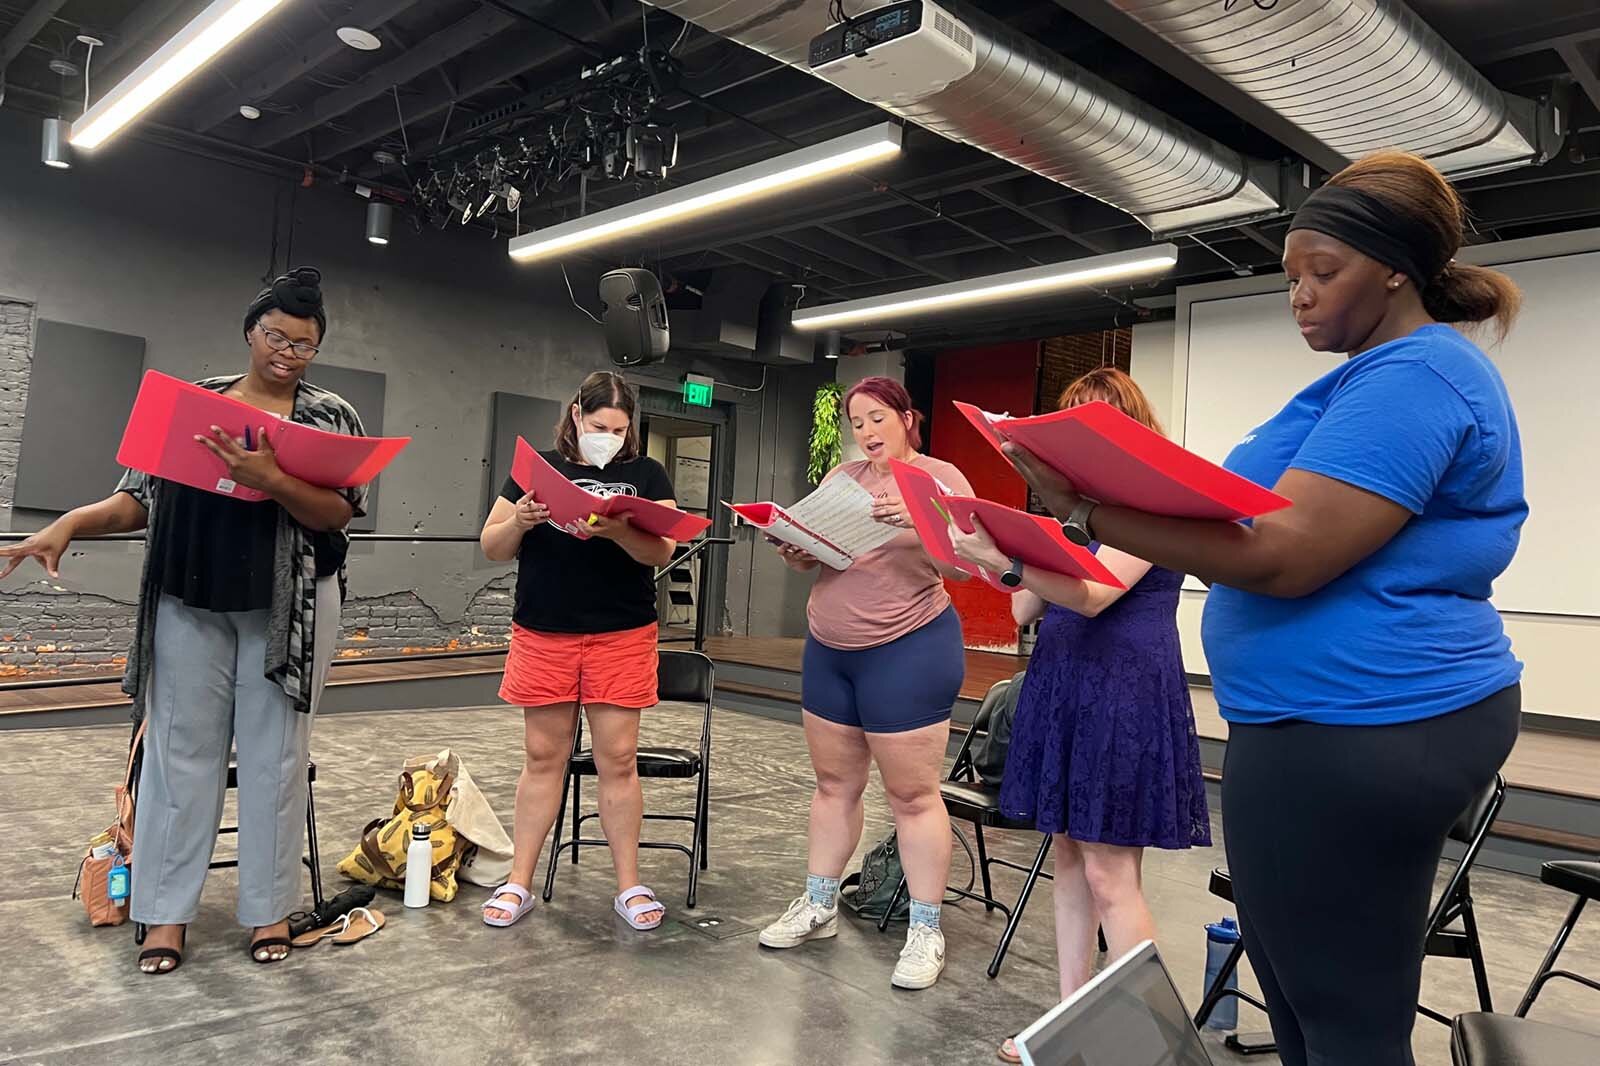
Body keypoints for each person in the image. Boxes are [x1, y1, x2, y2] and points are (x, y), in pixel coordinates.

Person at [1000, 151, 1525, 1066]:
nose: (1301, 296)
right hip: (1322, 720)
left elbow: (1286, 558)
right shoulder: (1367, 377)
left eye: (1326, 273)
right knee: (1296, 989)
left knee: (1338, 1010)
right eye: (1291, 277)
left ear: (1397, 267)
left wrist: (1085, 507)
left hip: (1367, 719)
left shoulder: (1418, 376)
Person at [0, 267, 367, 974]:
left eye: (305, 344)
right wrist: (70, 523)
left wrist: (274, 481)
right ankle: (164, 915)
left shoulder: (329, 415)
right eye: (277, 337)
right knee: (177, 757)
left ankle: (267, 912)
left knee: (276, 762)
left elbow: (338, 517)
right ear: (250, 331)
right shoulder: (191, 402)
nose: (289, 353)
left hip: (284, 609)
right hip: (187, 597)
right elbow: (137, 499)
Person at [948, 368, 1210, 1064]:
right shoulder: (1077, 510)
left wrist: (1006, 564)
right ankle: (1073, 1020)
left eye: (1095, 424)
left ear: (1131, 429)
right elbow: (1025, 609)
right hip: (1065, 682)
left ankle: (1149, 1041)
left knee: (1110, 876)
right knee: (1067, 857)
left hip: (1124, 690)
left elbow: (1094, 595)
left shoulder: (1150, 501)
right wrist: (996, 556)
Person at [757, 376, 973, 990]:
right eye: (857, 422)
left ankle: (925, 929)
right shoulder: (841, 480)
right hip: (830, 648)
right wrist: (799, 551)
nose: (867, 432)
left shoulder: (941, 478)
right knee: (833, 785)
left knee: (912, 796)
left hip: (909, 647)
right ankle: (820, 904)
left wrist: (926, 516)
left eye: (878, 417)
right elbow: (831, 554)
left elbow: (965, 563)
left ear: (908, 418)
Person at [479, 370, 679, 932]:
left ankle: (629, 884)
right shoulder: (536, 470)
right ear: (575, 415)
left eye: (619, 429)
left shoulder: (646, 473)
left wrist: (617, 532)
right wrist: (518, 519)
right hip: (545, 631)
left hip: (621, 632)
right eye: (599, 425)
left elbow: (661, 549)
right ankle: (519, 880)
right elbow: (492, 547)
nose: (609, 437)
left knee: (618, 761)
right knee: (543, 758)